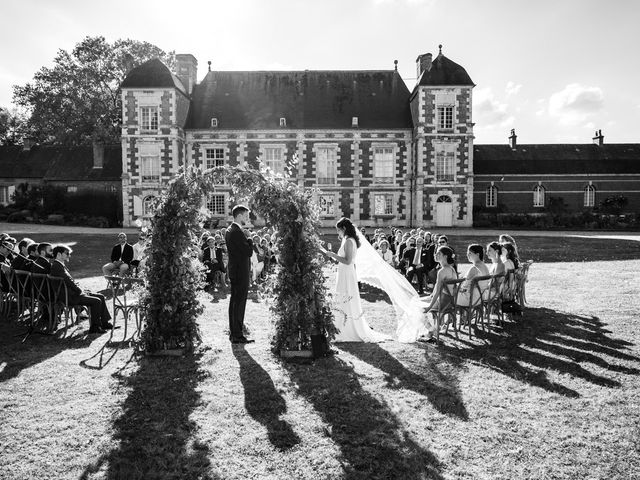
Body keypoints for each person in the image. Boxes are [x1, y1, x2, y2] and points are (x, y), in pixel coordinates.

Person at [320, 218, 390, 342]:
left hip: (347, 273)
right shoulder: (347, 240)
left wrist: (333, 255)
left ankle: (348, 328)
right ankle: (340, 325)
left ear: (344, 229)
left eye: (338, 230)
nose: (338, 233)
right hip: (345, 272)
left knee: (347, 297)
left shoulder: (348, 241)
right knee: (343, 297)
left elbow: (347, 261)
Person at [51, 245, 113, 334]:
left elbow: (69, 282)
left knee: (101, 296)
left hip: (72, 294)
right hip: (70, 297)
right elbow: (69, 282)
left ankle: (105, 323)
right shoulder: (57, 266)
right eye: (67, 253)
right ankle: (95, 327)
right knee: (96, 301)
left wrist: (81, 290)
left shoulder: (58, 265)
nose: (69, 256)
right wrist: (80, 291)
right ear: (59, 254)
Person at [225, 205, 255, 344]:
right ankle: (237, 335)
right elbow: (248, 252)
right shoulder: (237, 231)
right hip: (240, 272)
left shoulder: (230, 230)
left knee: (235, 302)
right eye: (246, 215)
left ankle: (234, 333)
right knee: (239, 302)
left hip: (235, 270)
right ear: (240, 216)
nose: (248, 218)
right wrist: (249, 238)